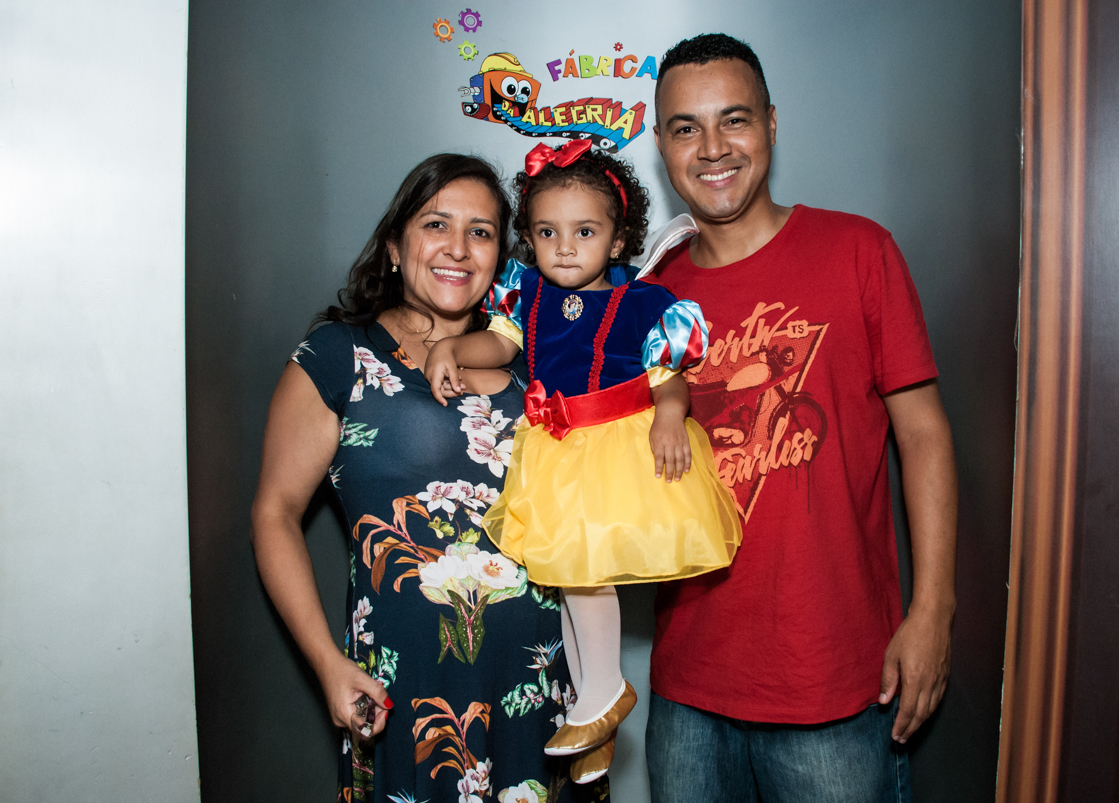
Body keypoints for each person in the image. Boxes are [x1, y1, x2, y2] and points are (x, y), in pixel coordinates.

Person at [641, 34, 959, 802]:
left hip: (836, 683)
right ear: (661, 146)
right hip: (688, 689)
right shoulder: (648, 297)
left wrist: (934, 610)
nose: (713, 148)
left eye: (735, 120)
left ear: (772, 126)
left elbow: (923, 435)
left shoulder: (858, 250)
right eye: (686, 127)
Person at [250, 154, 608, 803]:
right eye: (436, 223)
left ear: (501, 255)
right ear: (394, 245)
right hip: (405, 696)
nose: (458, 248)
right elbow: (273, 511)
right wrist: (328, 663)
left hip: (539, 688)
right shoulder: (339, 354)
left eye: (481, 231)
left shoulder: (536, 360)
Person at [424, 140, 742, 784]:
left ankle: (603, 692)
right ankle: (586, 709)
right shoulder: (529, 294)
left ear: (619, 237)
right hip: (554, 450)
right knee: (569, 580)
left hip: (614, 447)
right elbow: (503, 347)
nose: (564, 247)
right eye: (547, 232)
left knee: (588, 574)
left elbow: (668, 376)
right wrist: (455, 348)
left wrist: (672, 418)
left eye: (585, 231)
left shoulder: (642, 302)